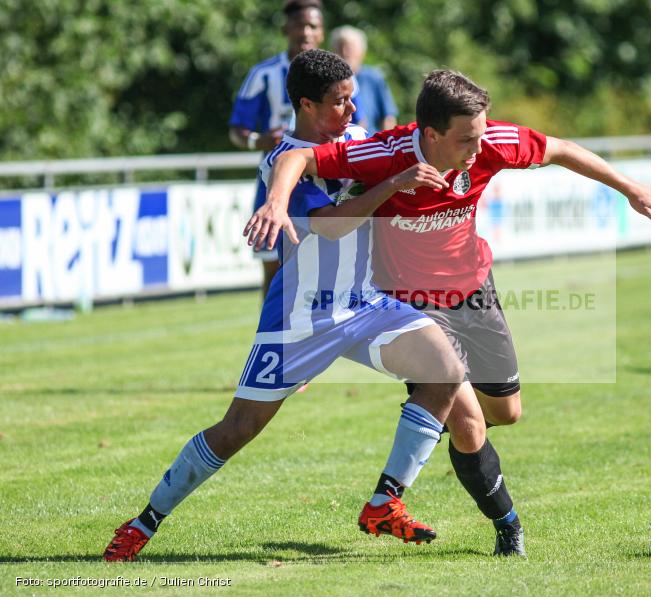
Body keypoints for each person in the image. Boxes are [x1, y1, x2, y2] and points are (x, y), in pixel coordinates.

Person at [251, 69, 651, 557]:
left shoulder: (491, 140)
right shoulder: (387, 153)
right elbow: (300, 156)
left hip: (475, 291)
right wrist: (277, 204)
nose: (479, 149)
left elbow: (560, 149)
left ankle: (440, 420)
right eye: (466, 140)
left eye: (481, 135)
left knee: (505, 414)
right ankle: (505, 526)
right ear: (430, 133)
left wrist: (630, 188)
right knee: (469, 423)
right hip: (410, 305)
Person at [103, 50, 467, 562]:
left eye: (353, 96)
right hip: (301, 319)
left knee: (445, 372)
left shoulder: (360, 141)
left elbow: (413, 146)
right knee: (237, 430)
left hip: (363, 303)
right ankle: (143, 523)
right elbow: (331, 224)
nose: (353, 109)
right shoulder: (281, 159)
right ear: (306, 105)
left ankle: (385, 502)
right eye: (340, 102)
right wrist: (392, 184)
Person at [228, 0, 326, 299]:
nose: (306, 32)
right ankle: (272, 340)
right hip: (274, 179)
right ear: (286, 29)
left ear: (321, 32)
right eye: (300, 25)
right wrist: (258, 141)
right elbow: (236, 131)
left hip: (323, 179)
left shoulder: (335, 73)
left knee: (329, 265)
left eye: (313, 26)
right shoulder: (265, 74)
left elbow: (354, 121)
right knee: (273, 268)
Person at [330, 25, 399, 131]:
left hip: (369, 142)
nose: (344, 52)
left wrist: (386, 144)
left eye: (349, 48)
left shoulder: (373, 77)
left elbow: (388, 117)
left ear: (362, 52)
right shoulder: (327, 80)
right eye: (339, 47)